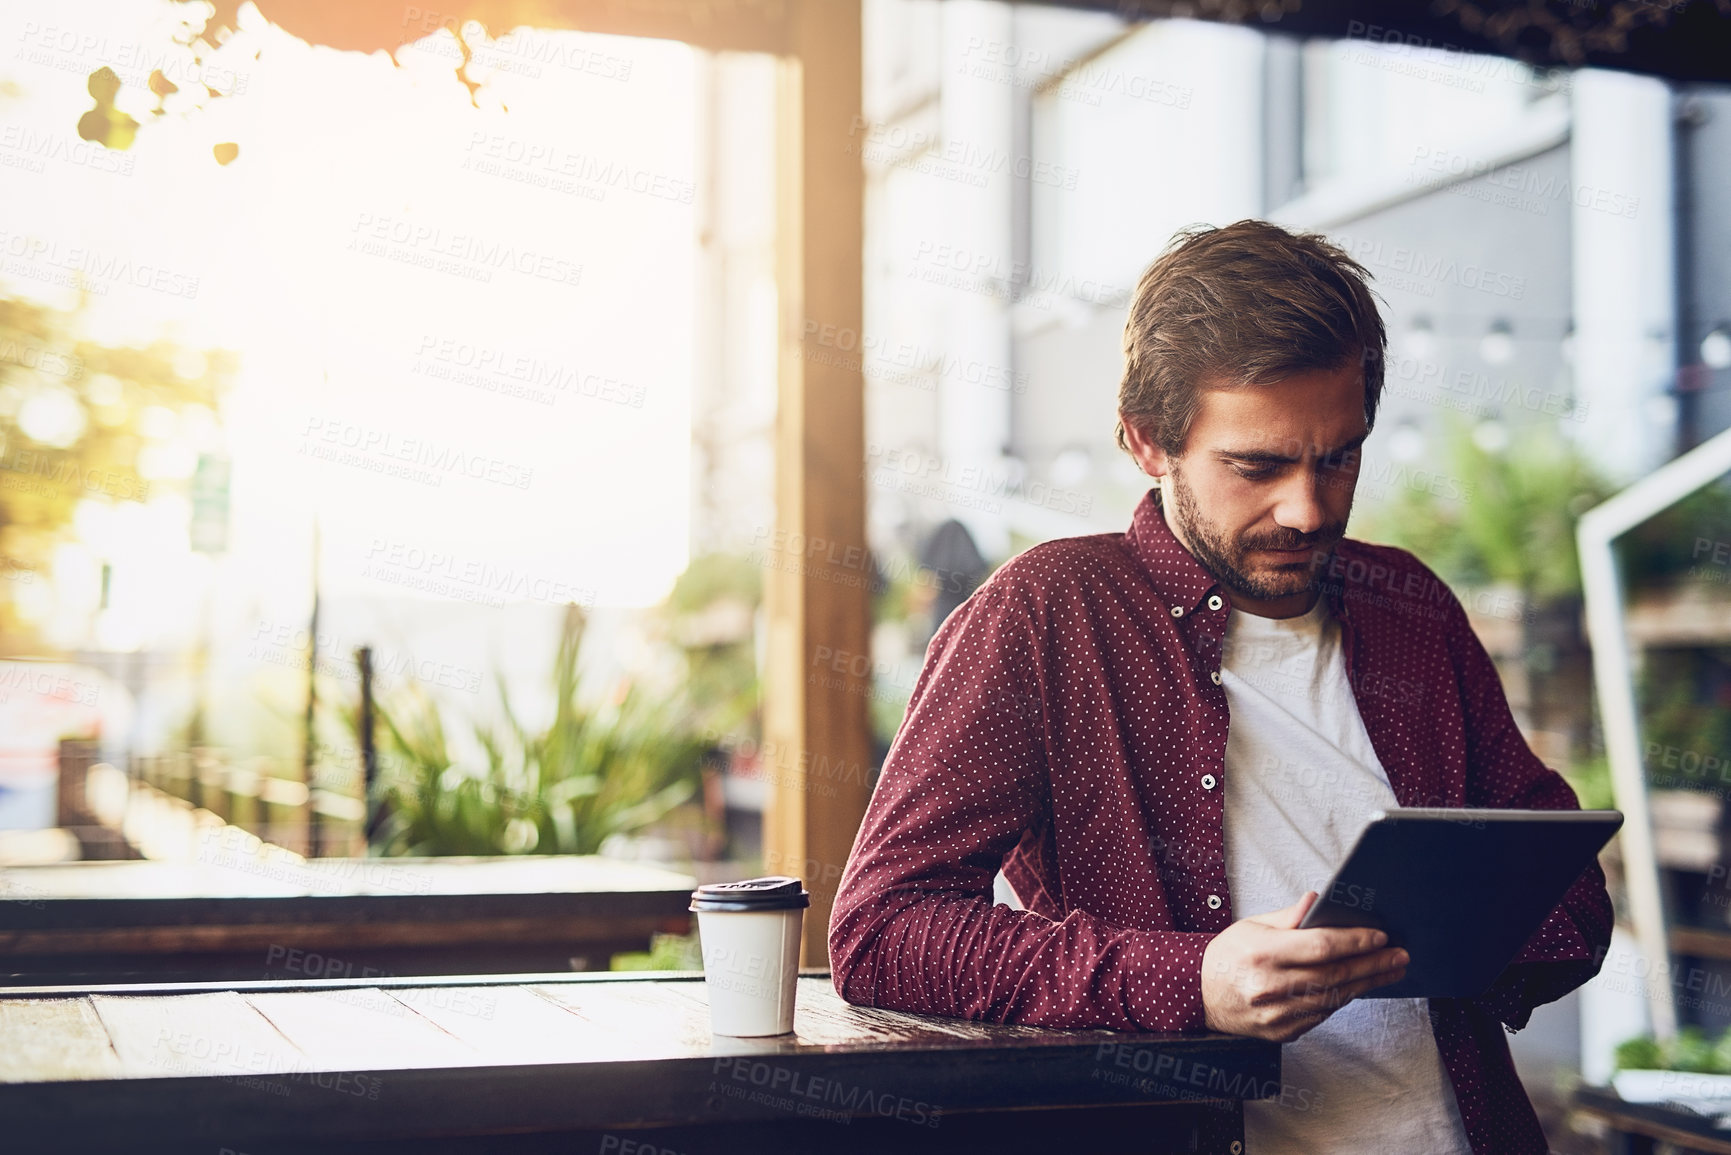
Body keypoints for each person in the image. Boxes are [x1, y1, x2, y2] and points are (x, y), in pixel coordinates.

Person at [828, 218, 1612, 1154]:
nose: (1308, 508)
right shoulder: (1048, 615)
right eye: (1257, 465)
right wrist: (1190, 979)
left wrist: (1457, 934)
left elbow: (1570, 900)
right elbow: (882, 931)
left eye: (1339, 456)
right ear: (1146, 440)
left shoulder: (1411, 605)